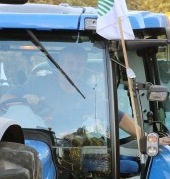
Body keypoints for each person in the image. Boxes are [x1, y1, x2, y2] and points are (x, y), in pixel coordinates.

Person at [8, 45, 141, 138]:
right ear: (60, 64)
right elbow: (6, 99)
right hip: (38, 140)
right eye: (70, 63)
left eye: (79, 64)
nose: (75, 68)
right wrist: (25, 100)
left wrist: (145, 138)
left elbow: (115, 116)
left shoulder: (88, 93)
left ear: (84, 66)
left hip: (71, 147)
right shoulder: (38, 83)